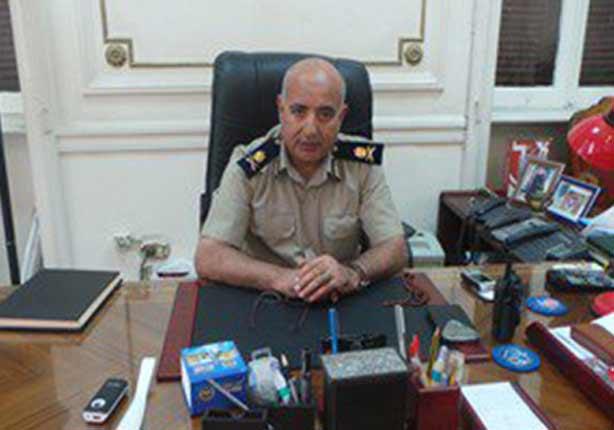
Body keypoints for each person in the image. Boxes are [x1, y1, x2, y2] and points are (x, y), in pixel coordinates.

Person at [195, 58, 407, 303]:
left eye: (325, 114)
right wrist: (280, 278)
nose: (310, 129)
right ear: (281, 109)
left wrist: (353, 273)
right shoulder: (249, 165)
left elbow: (395, 248)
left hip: (339, 300)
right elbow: (208, 256)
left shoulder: (362, 166)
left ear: (341, 116)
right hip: (264, 301)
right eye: (298, 111)